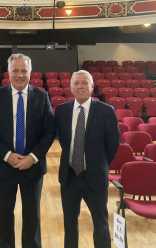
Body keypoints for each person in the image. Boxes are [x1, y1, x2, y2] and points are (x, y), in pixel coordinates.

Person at [0, 53, 55, 248]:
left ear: (30, 72)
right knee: (4, 216)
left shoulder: (42, 96)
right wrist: (7, 156)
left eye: (24, 71)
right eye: (15, 70)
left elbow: (49, 132)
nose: (19, 75)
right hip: (3, 166)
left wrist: (33, 157)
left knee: (32, 217)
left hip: (32, 167)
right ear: (8, 72)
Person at [55, 70, 120, 248]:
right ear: (70, 87)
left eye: (85, 82)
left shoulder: (106, 111)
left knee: (101, 224)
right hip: (69, 178)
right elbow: (62, 139)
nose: (80, 86)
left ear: (92, 86)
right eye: (76, 83)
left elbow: (113, 144)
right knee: (69, 225)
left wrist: (99, 165)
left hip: (95, 178)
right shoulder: (61, 111)